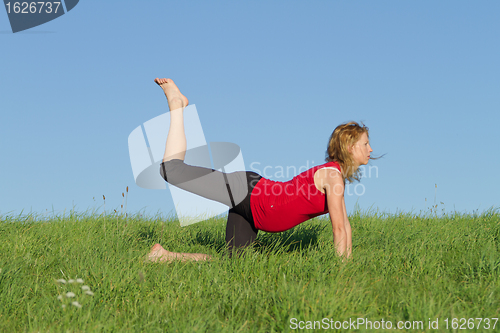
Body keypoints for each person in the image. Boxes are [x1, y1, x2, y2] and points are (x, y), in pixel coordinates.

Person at [147, 78, 373, 263]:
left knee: (234, 267)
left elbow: (345, 226)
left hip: (253, 211)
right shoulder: (332, 176)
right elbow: (339, 231)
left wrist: (348, 267)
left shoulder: (336, 178)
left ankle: (163, 256)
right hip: (247, 192)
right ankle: (176, 104)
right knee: (171, 170)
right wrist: (342, 274)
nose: (370, 149)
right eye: (365, 144)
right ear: (351, 147)